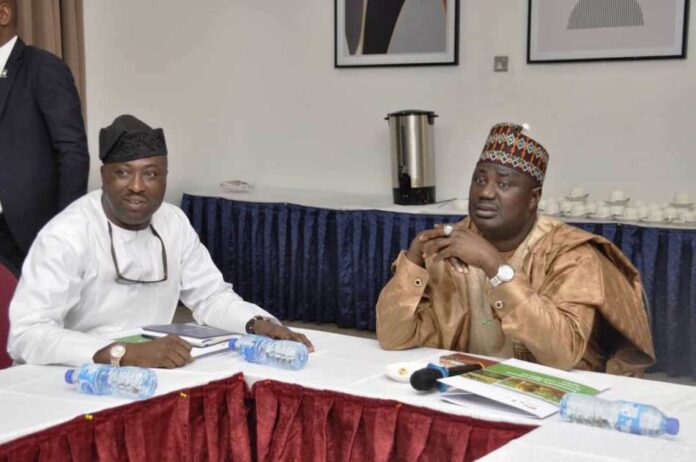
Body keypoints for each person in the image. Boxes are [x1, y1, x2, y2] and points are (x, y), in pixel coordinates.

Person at [8, 115, 312, 368]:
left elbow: (210, 297)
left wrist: (258, 323)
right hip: (75, 376)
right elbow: (27, 335)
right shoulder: (66, 235)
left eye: (151, 174)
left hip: (153, 368)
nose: (137, 187)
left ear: (165, 177)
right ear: (104, 176)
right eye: (123, 173)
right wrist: (121, 354)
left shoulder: (173, 221)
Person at [376, 122, 655, 376]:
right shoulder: (447, 246)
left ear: (533, 198)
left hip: (547, 394)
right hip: (461, 387)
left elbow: (563, 353)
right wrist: (413, 261)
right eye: (479, 180)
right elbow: (393, 337)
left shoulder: (571, 254)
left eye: (504, 183)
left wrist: (494, 266)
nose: (485, 192)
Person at [0, 0, 89, 272]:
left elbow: (73, 152)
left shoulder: (43, 67)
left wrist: (64, 229)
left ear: (3, 13)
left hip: (24, 233)